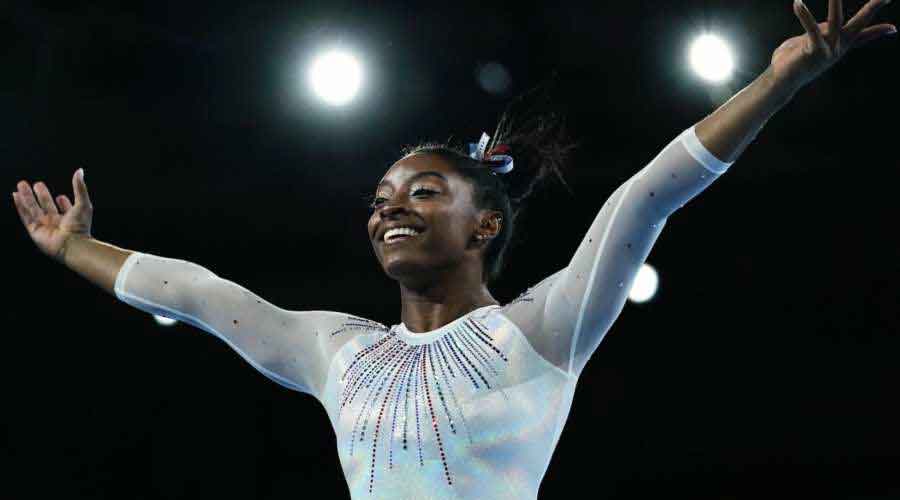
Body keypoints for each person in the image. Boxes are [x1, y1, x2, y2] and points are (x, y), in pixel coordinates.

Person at [12, 1, 895, 498]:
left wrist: (780, 83)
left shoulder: (543, 331)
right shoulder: (338, 353)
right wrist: (73, 250)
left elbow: (646, 196)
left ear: (486, 224)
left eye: (423, 192)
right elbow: (197, 292)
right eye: (382, 200)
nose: (390, 209)